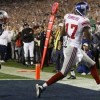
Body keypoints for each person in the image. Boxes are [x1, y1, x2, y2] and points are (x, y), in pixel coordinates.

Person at [35, 2, 100, 98]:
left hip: (73, 46)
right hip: (73, 48)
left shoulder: (68, 16)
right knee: (63, 73)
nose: (87, 12)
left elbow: (62, 34)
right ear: (83, 10)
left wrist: (73, 34)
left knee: (92, 64)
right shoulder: (84, 20)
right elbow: (89, 38)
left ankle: (99, 83)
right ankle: (42, 87)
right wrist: (91, 33)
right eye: (86, 10)